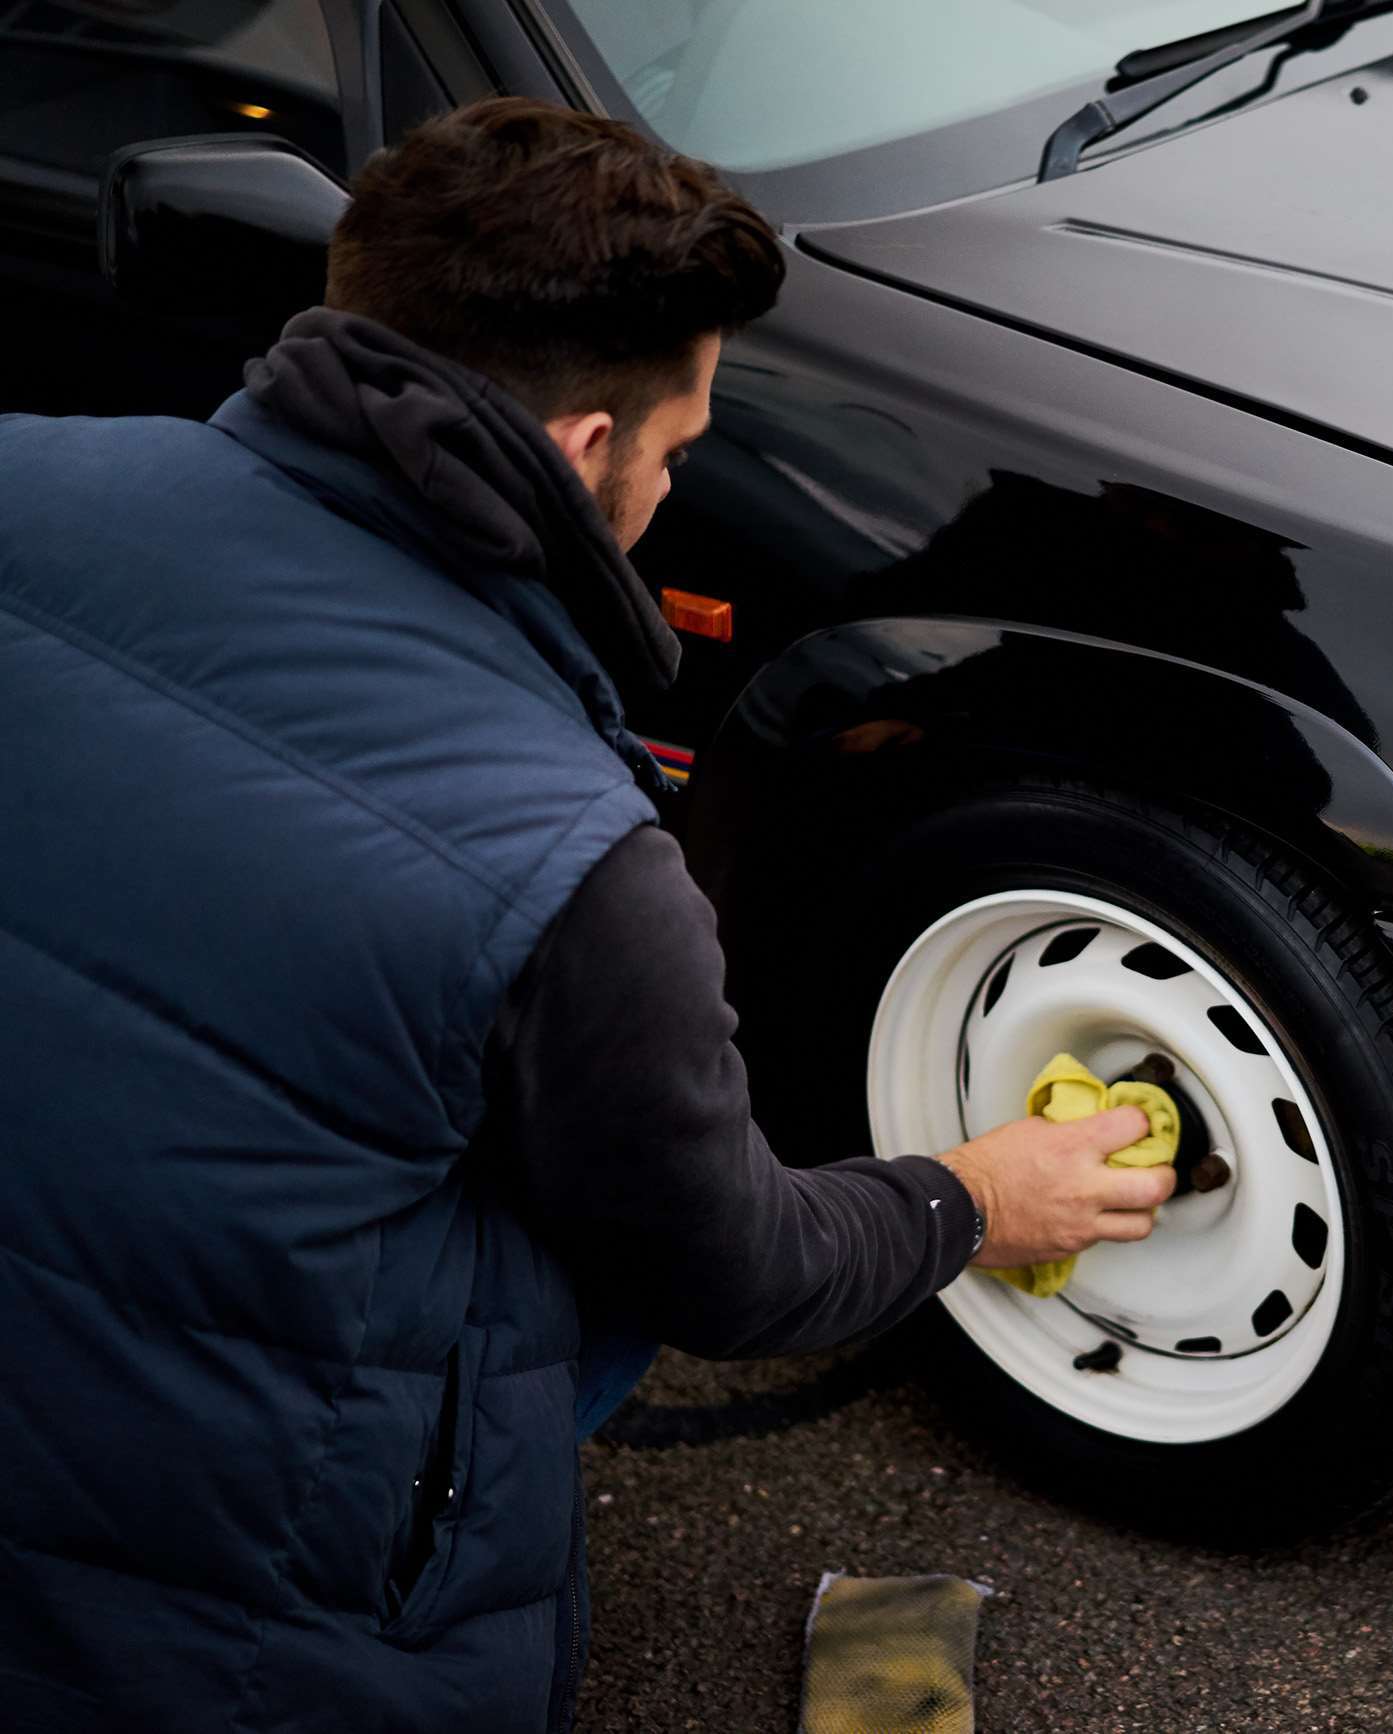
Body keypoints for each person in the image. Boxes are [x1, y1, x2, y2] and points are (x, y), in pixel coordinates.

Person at [0, 97, 1173, 1732]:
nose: (678, 486)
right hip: (236, 1637)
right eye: (682, 447)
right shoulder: (567, 859)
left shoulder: (26, 475)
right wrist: (974, 1193)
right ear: (582, 451)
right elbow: (739, 1272)